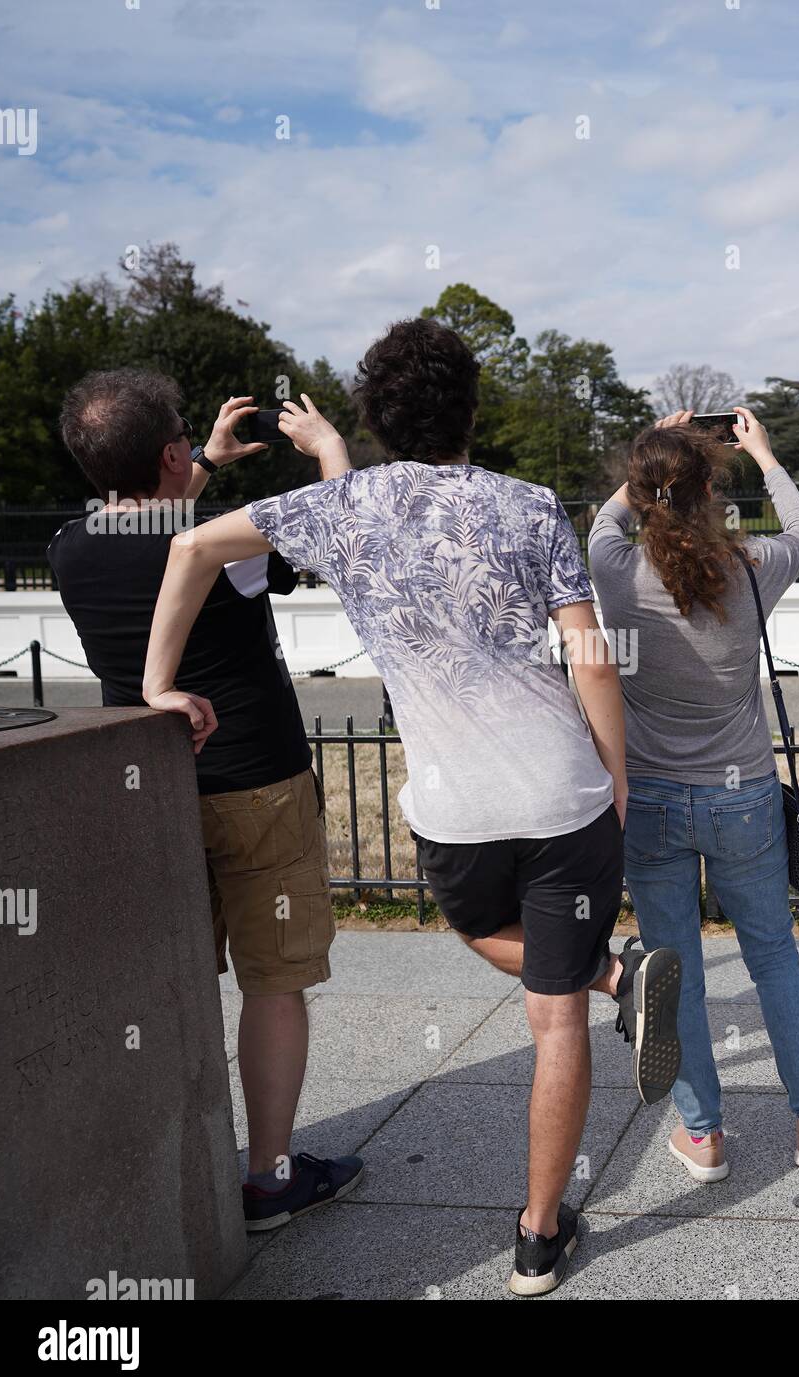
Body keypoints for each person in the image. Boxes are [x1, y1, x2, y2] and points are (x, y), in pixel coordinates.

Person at [139, 319, 684, 1297]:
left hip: (453, 809)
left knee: (480, 931)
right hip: (559, 788)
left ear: (375, 418)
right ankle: (537, 1231)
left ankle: (606, 992)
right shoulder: (525, 506)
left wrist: (154, 685)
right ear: (470, 409)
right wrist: (618, 779)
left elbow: (188, 556)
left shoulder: (336, 507)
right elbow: (588, 653)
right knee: (551, 1018)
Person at [50, 369, 364, 1230]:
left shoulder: (67, 547)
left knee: (175, 981)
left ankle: (166, 1168)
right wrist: (327, 451)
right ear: (170, 450)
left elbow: (152, 526)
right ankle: (269, 1175)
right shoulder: (223, 539)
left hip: (147, 788)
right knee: (274, 982)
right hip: (256, 778)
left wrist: (202, 466)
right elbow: (347, 536)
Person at [587, 407, 799, 1182]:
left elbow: (607, 521)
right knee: (775, 958)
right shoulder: (750, 567)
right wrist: (765, 455)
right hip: (740, 796)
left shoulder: (615, 567)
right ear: (712, 491)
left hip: (650, 800)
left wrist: (650, 456)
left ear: (643, 495)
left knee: (674, 967)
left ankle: (703, 1135)